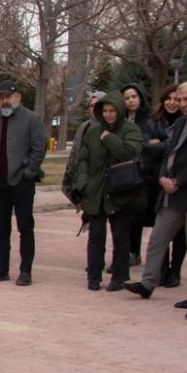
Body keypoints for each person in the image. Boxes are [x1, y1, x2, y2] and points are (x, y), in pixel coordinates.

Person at [122, 80, 187, 307]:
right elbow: (167, 155)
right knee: (157, 240)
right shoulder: (179, 123)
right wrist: (162, 178)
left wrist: (178, 180)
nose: (182, 103)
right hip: (169, 193)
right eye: (180, 100)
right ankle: (148, 282)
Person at [71, 92, 147, 291]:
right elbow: (83, 160)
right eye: (105, 111)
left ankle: (119, 277)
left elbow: (128, 153)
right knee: (96, 236)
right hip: (95, 191)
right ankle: (94, 276)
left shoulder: (131, 130)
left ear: (120, 111)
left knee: (120, 236)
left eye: (112, 111)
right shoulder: (92, 132)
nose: (109, 115)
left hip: (121, 191)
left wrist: (109, 138)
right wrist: (83, 183)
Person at [0, 80, 47, 286]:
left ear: (18, 97)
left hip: (21, 181)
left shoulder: (32, 119)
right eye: (1, 97)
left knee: (25, 226)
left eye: (8, 97)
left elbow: (39, 148)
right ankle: (2, 268)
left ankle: (25, 270)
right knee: (1, 227)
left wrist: (29, 172)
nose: (5, 101)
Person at [145, 84, 186, 284]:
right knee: (160, 228)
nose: (172, 103)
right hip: (156, 180)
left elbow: (173, 148)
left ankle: (175, 270)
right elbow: (146, 148)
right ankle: (162, 268)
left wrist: (159, 144)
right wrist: (163, 146)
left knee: (181, 232)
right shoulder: (153, 122)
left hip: (181, 183)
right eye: (168, 99)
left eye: (176, 99)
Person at [121, 83, 154, 266]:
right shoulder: (121, 119)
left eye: (134, 97)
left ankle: (136, 252)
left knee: (140, 216)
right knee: (126, 216)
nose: (131, 101)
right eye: (127, 98)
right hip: (125, 172)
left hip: (144, 174)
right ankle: (128, 251)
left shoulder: (149, 118)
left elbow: (150, 143)